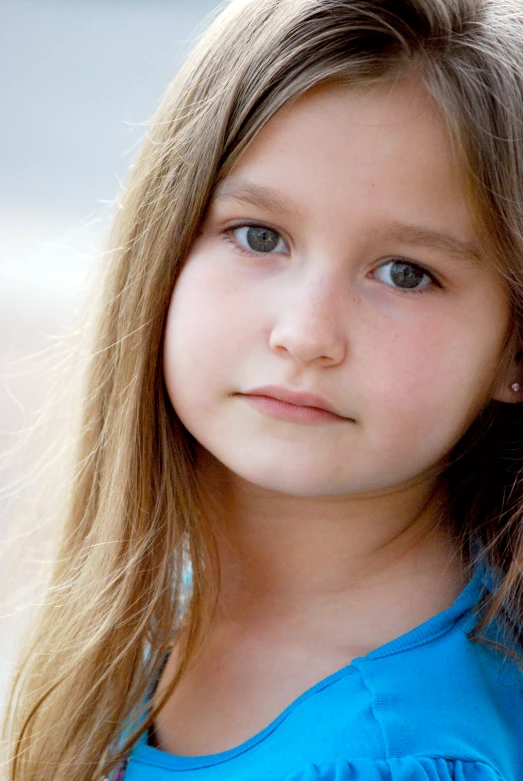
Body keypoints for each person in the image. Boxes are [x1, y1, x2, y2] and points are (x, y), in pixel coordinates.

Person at [5, 0, 523, 778]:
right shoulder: (148, 601)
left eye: (406, 273)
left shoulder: (417, 755)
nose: (306, 333)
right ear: (164, 247)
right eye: (259, 235)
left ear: (512, 347)